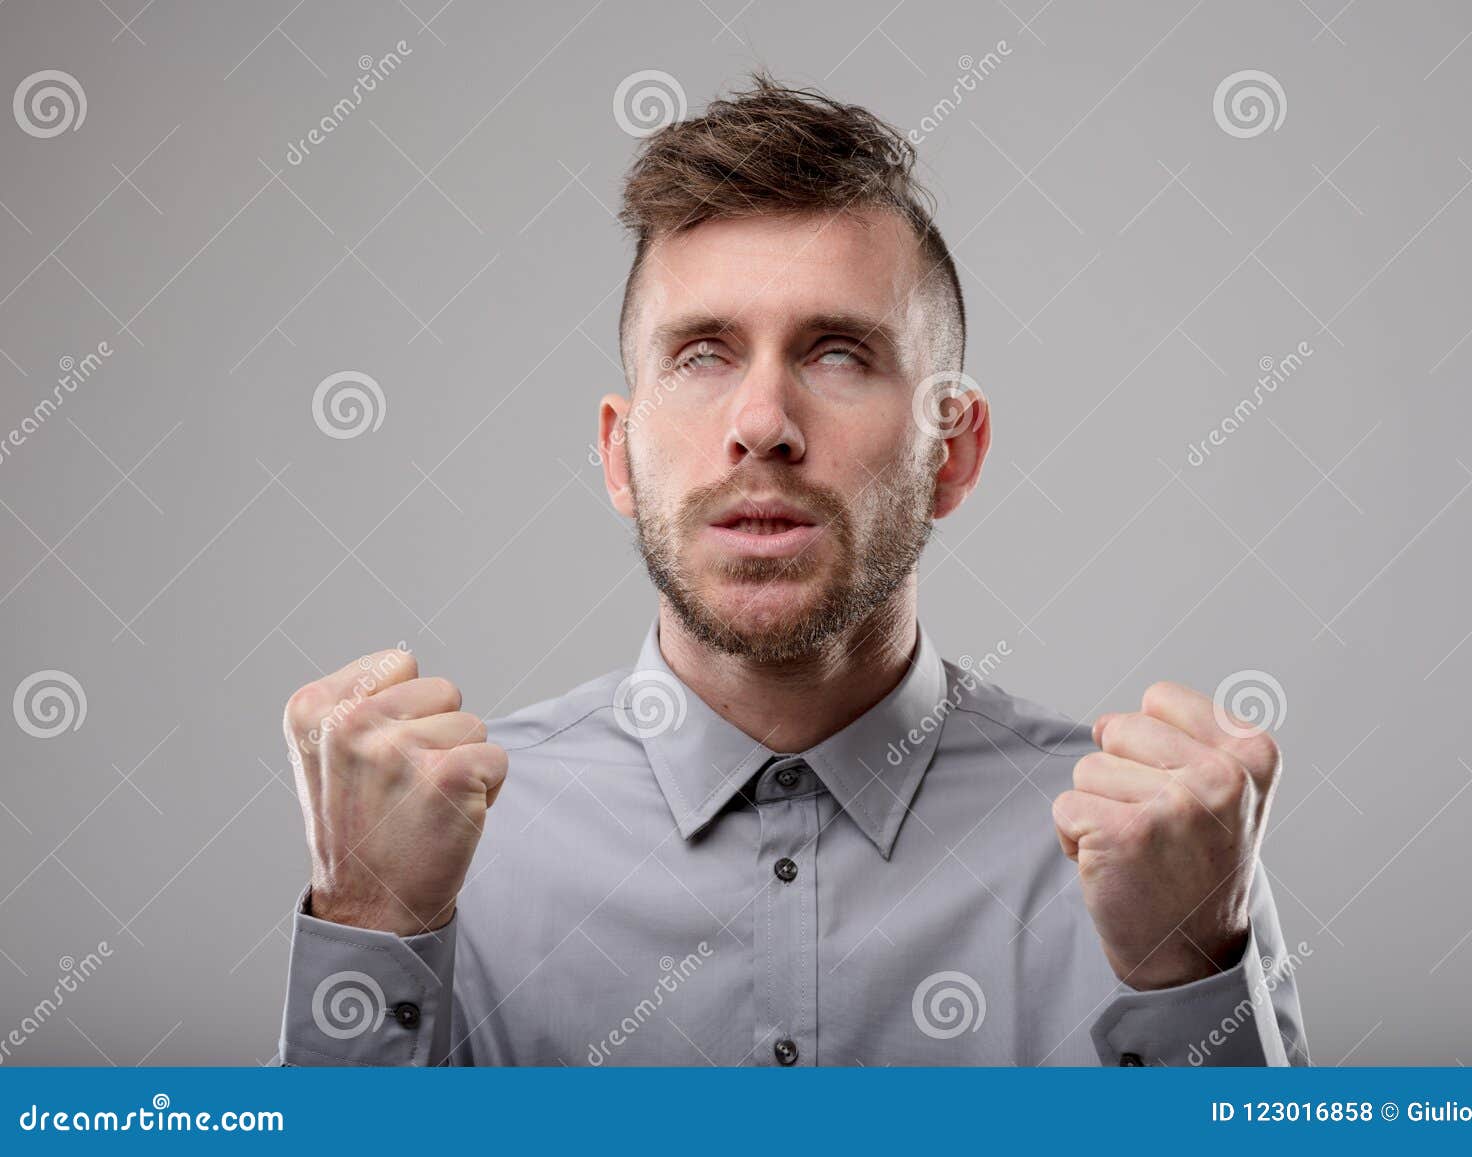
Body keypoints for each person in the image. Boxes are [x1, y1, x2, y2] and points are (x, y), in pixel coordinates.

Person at [277, 75, 1307, 1067]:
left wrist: (1184, 978)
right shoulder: (438, 845)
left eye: (836, 354)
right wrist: (371, 930)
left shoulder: (1154, 850)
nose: (762, 424)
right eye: (701, 355)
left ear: (952, 448)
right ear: (617, 454)